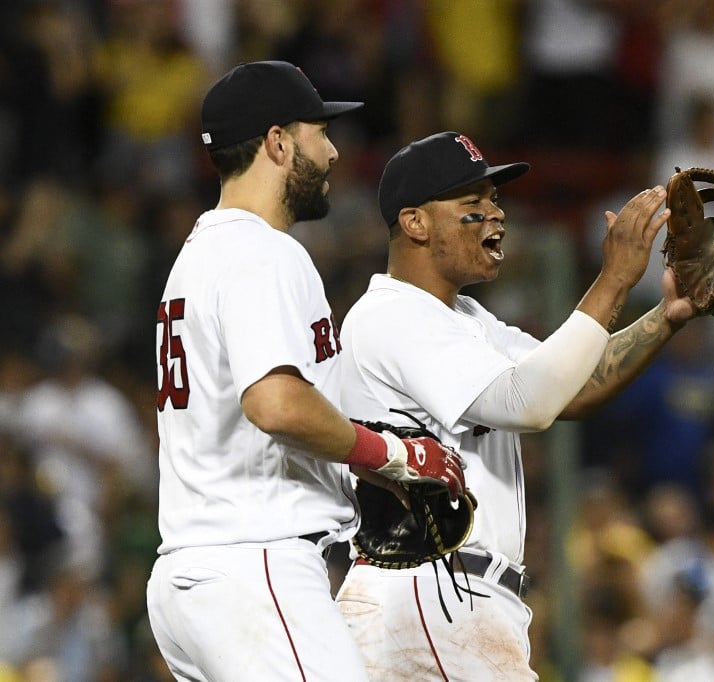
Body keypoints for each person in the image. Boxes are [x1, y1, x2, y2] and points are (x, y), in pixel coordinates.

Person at [334, 130, 698, 680]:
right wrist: (616, 277)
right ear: (415, 222)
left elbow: (570, 386)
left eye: (495, 201)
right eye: (472, 205)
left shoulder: (468, 321)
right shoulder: (390, 314)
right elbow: (530, 404)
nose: (495, 216)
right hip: (427, 593)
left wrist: (663, 319)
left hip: (452, 600)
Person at [145, 61, 466, 682]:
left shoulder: (196, 258)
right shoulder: (263, 251)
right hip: (254, 563)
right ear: (277, 142)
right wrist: (388, 455)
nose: (334, 150)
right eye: (319, 132)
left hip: (192, 577)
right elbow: (276, 404)